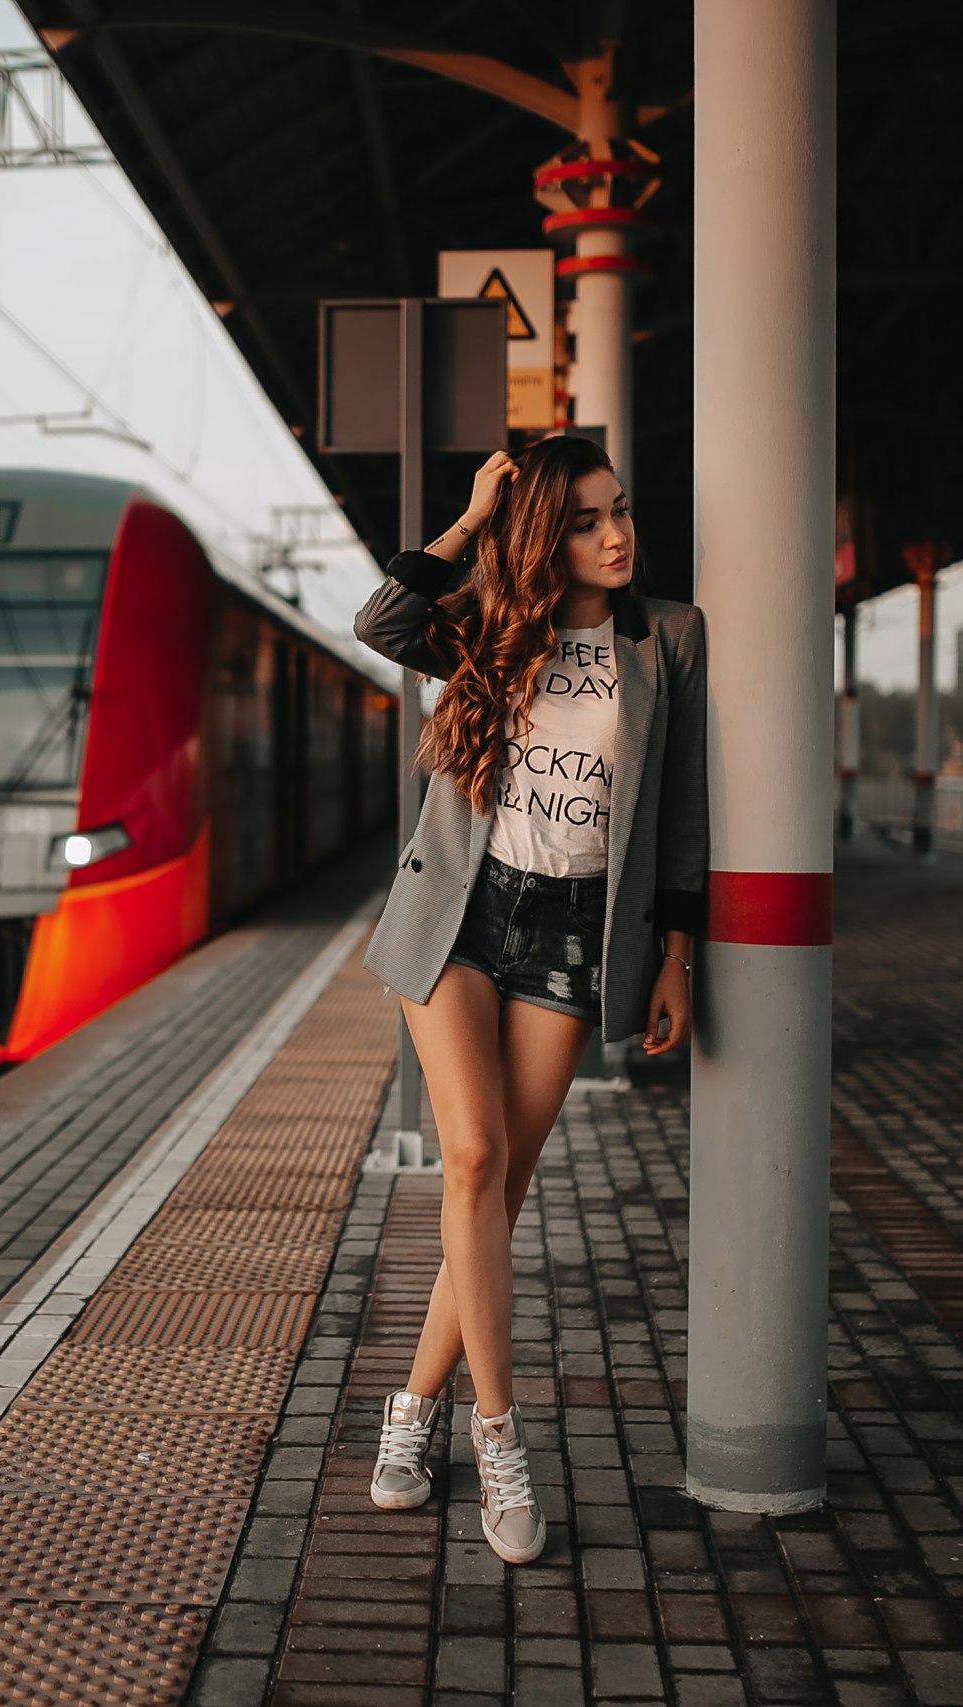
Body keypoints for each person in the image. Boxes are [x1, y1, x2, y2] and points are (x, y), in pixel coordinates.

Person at [352, 435, 706, 1565]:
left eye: (621, 510)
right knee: (469, 1161)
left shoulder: (670, 640)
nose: (617, 533)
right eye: (590, 518)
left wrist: (674, 956)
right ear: (546, 534)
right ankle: (500, 1440)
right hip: (462, 912)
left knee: (494, 1202)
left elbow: (684, 811)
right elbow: (379, 625)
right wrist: (468, 520)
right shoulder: (493, 625)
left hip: (577, 931)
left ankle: (410, 1418)